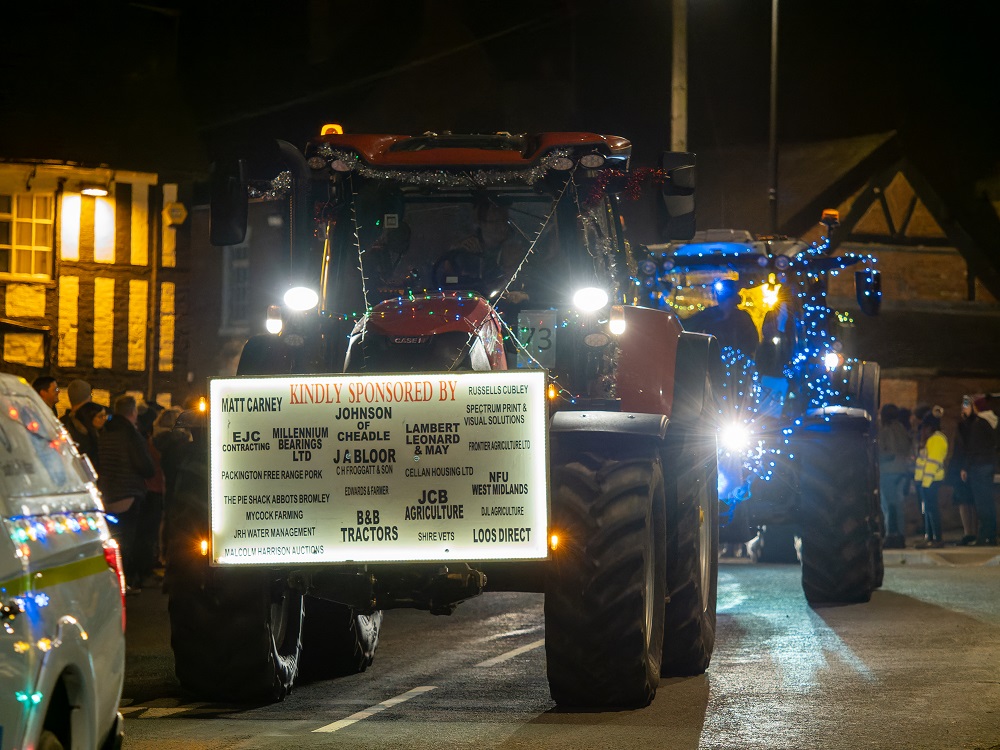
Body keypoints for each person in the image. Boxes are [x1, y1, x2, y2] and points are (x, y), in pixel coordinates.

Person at [98, 394, 155, 593]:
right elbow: (145, 466)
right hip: (128, 495)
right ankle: (125, 582)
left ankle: (110, 582)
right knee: (127, 542)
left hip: (107, 495)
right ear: (133, 412)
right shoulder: (131, 435)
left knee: (111, 541)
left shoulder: (104, 432)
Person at [959, 395, 998, 546]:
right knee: (988, 501)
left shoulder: (977, 423)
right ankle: (991, 535)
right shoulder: (992, 421)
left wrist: (965, 467)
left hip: (977, 466)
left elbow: (972, 447)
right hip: (988, 464)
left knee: (982, 503)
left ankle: (984, 536)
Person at [685, 279, 759, 355]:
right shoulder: (708, 314)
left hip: (735, 363)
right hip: (713, 361)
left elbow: (753, 342)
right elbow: (688, 328)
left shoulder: (742, 317)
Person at [879, 403, 912, 548]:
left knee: (889, 506)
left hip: (888, 471)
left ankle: (891, 535)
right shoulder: (902, 429)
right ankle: (900, 536)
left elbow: (885, 451)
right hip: (902, 470)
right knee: (898, 505)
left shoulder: (886, 430)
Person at [913, 407, 947, 548]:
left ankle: (936, 539)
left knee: (931, 510)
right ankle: (930, 538)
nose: (922, 429)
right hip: (926, 481)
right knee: (927, 510)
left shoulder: (937, 440)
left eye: (925, 426)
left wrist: (925, 482)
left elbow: (932, 463)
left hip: (931, 480)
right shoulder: (931, 439)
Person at [948, 396, 980, 545]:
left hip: (965, 466)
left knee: (967, 500)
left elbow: (967, 448)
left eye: (967, 405)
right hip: (964, 466)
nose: (963, 408)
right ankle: (970, 532)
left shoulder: (970, 425)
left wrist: (963, 467)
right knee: (967, 500)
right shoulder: (967, 424)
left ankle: (970, 532)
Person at [72, 401, 107, 469]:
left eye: (105, 415)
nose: (104, 419)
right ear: (89, 417)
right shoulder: (82, 438)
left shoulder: (99, 432)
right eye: (100, 416)